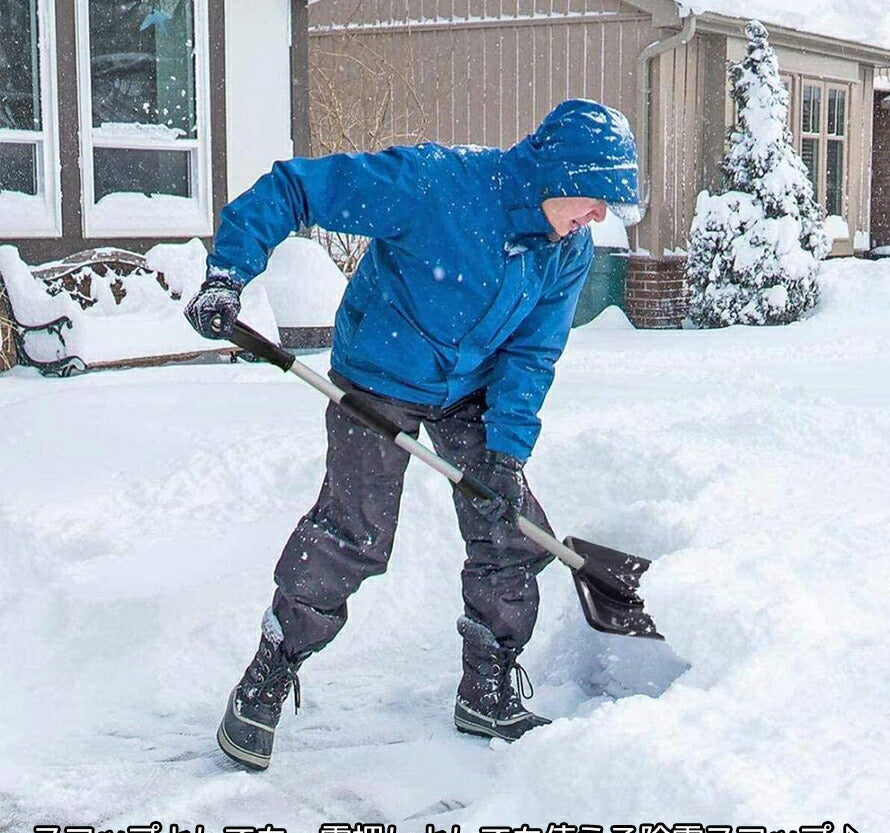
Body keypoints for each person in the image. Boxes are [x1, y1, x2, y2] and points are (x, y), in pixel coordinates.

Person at [185, 98, 639, 770]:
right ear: (558, 173)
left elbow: (533, 354)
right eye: (597, 196)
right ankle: (268, 674)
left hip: (471, 386)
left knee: (509, 526)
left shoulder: (565, 251)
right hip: (382, 372)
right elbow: (295, 188)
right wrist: (228, 274)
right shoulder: (435, 185)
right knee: (354, 533)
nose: (600, 216)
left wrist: (507, 456)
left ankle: (487, 690)